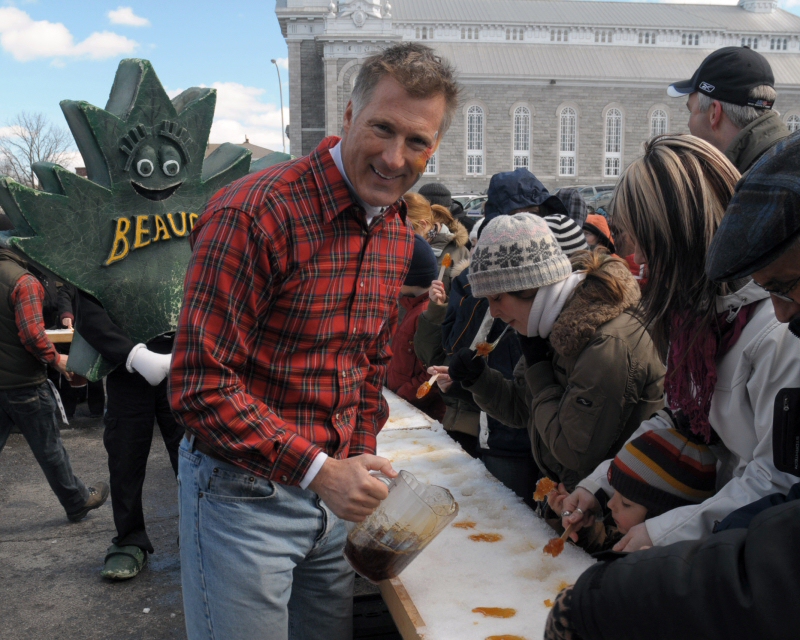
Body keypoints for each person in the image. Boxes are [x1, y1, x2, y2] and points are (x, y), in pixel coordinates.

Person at [169, 42, 459, 640]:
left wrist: (357, 457)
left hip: (330, 499)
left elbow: (367, 362)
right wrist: (320, 470)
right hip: (241, 496)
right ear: (348, 116)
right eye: (382, 128)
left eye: (417, 141)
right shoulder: (256, 212)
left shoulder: (395, 229)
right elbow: (199, 385)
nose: (394, 157)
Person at [544, 124, 800, 640]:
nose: (637, 263)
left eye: (645, 246)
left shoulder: (776, 332)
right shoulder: (699, 323)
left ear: (680, 239)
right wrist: (602, 483)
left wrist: (664, 533)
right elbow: (681, 415)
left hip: (745, 559)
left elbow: (777, 478)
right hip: (719, 541)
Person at [443, 213, 665, 491]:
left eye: (497, 298)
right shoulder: (549, 324)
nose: (494, 312)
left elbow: (573, 450)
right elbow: (525, 409)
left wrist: (539, 369)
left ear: (529, 285)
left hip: (616, 501)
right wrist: (479, 380)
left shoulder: (606, 343)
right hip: (580, 496)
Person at [0, 247, 108, 522]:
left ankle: (76, 500)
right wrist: (57, 359)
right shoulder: (23, 281)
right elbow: (32, 335)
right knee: (49, 449)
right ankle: (77, 501)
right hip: (24, 383)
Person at [548, 423, 716, 554]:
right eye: (614, 492)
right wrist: (581, 530)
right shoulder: (626, 533)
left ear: (660, 517)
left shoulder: (659, 572)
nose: (610, 504)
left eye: (626, 503)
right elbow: (606, 549)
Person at [668, 46, 789, 173]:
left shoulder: (754, 180)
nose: (688, 124)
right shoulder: (783, 157)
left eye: (691, 111)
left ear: (714, 114)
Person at [386, 235, 445, 421]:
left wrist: (401, 397)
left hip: (419, 414)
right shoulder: (411, 307)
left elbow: (431, 374)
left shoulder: (425, 314)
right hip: (402, 405)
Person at [404, 191, 470, 292]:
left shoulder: (457, 251)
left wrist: (441, 300)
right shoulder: (398, 248)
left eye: (404, 229)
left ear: (422, 225)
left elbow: (466, 297)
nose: (398, 235)